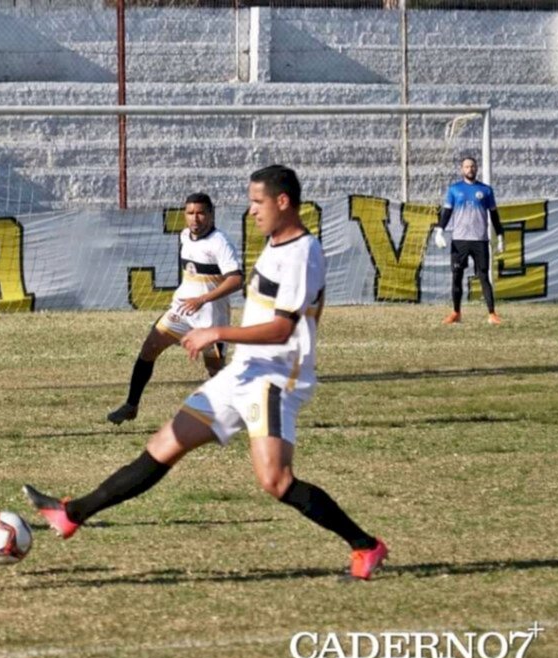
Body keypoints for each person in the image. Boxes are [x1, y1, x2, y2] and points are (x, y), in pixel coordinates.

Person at [26, 166, 389, 581]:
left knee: (275, 480)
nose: (252, 211)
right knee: (166, 442)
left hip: (274, 377)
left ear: (282, 202)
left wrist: (215, 331)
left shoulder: (302, 254)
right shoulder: (275, 244)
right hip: (243, 371)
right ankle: (72, 513)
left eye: (258, 202)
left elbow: (283, 328)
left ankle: (366, 546)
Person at [107, 193, 243, 425]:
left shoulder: (220, 242)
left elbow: (236, 280)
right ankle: (131, 405)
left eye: (200, 213)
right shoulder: (184, 236)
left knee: (215, 370)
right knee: (150, 346)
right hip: (182, 311)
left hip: (211, 317)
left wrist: (202, 299)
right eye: (190, 213)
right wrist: (190, 298)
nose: (195, 218)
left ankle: (241, 412)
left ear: (211, 214)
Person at [432, 156, 505, 325]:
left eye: (472, 166)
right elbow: (447, 213)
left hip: (480, 240)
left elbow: (494, 215)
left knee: (483, 276)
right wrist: (439, 231)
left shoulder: (486, 190)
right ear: (461, 169)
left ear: (476, 168)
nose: (469, 169)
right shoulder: (454, 189)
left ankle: (492, 314)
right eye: (466, 167)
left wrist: (500, 236)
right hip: (460, 240)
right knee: (457, 276)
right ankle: (456, 313)